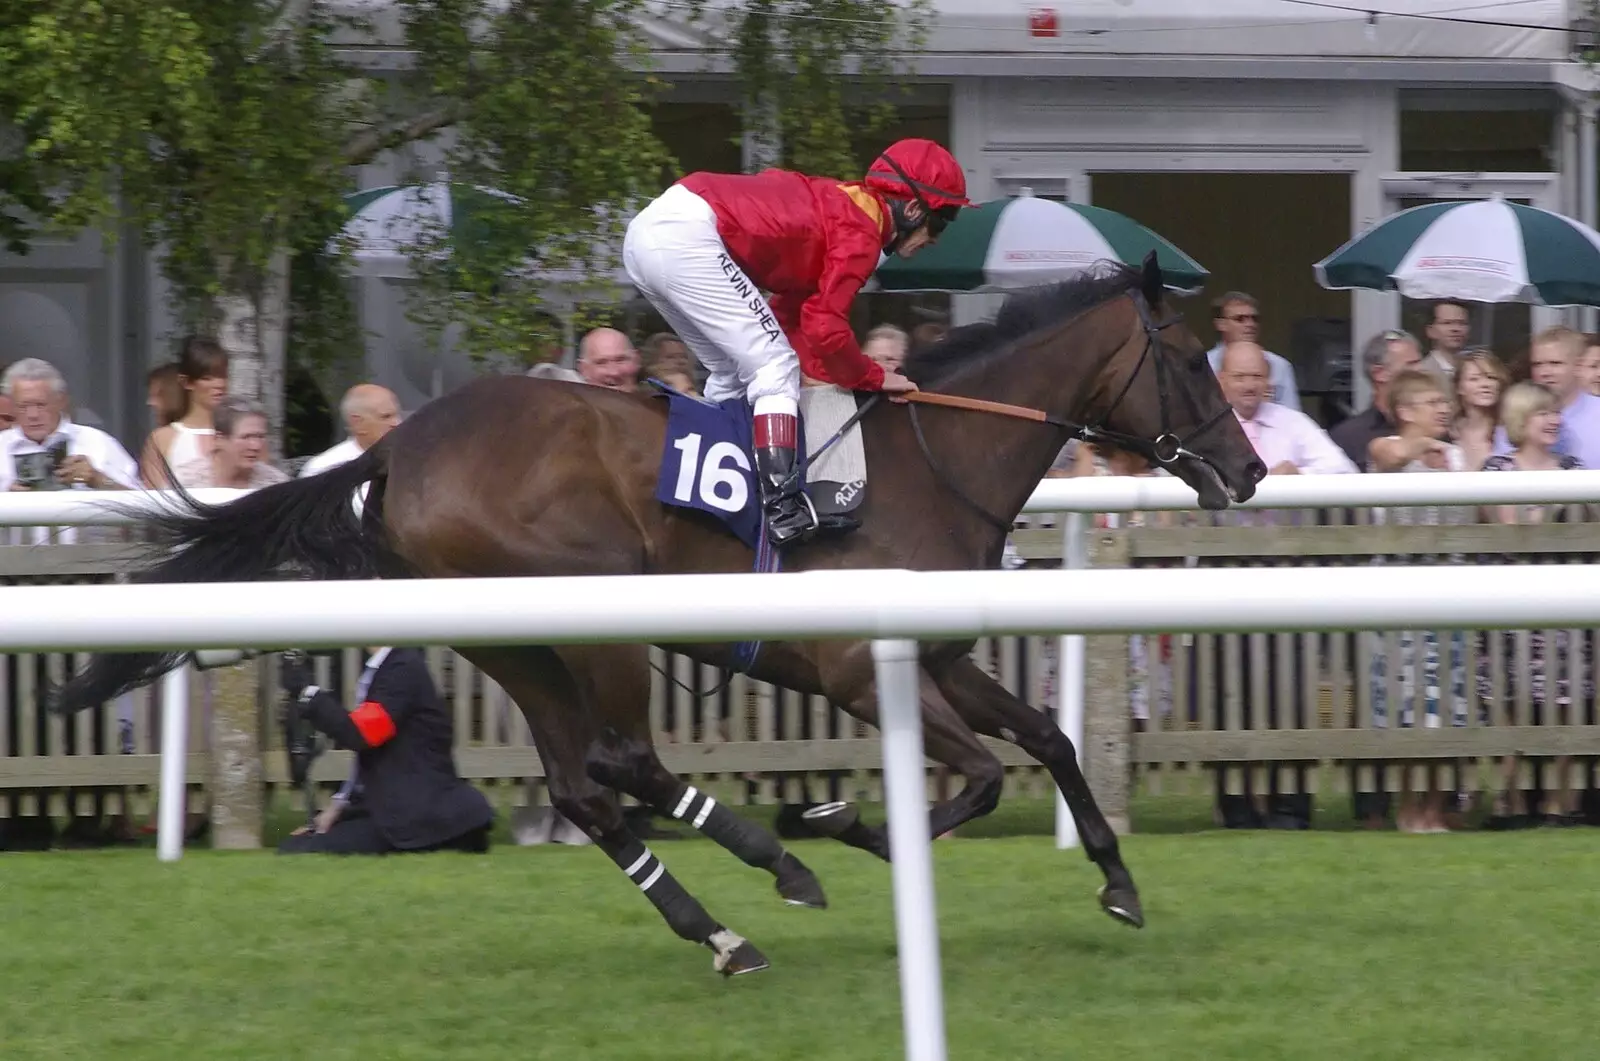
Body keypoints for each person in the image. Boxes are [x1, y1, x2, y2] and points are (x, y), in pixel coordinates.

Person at [622, 138, 970, 546]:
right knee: (774, 367)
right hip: (687, 236)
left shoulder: (847, 207)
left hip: (651, 233)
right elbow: (825, 327)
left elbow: (795, 317)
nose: (937, 239)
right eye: (942, 222)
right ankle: (783, 507)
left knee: (734, 371)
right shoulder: (861, 233)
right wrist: (875, 377)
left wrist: (833, 377)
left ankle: (725, 484)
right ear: (912, 209)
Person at [277, 646, 494, 855]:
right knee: (298, 844)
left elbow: (362, 735)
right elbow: (371, 754)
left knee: (300, 850)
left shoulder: (403, 668)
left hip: (422, 819)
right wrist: (337, 809)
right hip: (410, 811)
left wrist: (309, 693)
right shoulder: (388, 666)